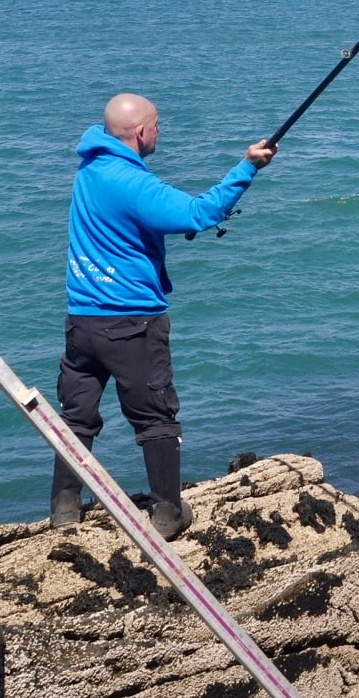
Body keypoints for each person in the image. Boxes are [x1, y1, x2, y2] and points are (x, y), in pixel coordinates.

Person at [50, 93, 276, 539]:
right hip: (131, 322)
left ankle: (64, 508)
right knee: (156, 417)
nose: (160, 131)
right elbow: (198, 213)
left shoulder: (89, 168)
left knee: (77, 416)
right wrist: (248, 166)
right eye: (156, 125)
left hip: (82, 321)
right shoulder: (131, 183)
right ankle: (168, 513)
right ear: (139, 133)